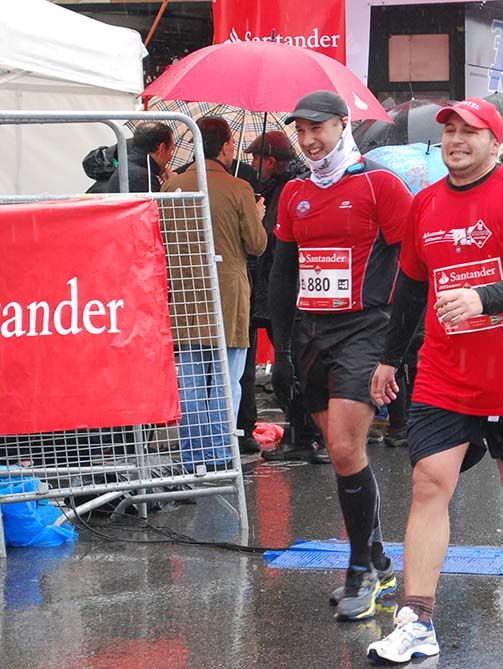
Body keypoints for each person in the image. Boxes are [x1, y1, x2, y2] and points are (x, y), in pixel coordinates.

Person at [367, 98, 503, 664]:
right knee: (430, 481)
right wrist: (389, 358)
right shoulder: (424, 203)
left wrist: (482, 297)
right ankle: (416, 619)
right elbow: (409, 289)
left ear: (495, 142)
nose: (455, 139)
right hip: (444, 373)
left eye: (469, 131)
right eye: (449, 130)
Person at [268, 90, 413, 620]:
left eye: (318, 130)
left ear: (342, 126)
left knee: (347, 447)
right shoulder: (294, 192)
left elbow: (411, 265)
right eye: (300, 132)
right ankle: (376, 555)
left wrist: (397, 348)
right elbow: (283, 274)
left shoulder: (380, 184)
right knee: (339, 451)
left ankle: (360, 574)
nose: (308, 141)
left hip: (365, 328)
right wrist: (281, 352)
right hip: (312, 331)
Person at [162, 116, 267, 472]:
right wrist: (257, 213)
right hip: (228, 294)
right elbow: (256, 245)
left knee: (190, 380)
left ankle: (193, 456)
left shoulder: (172, 187)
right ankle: (222, 453)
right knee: (226, 379)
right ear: (224, 146)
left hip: (184, 293)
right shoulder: (237, 188)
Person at [235, 131, 328, 463]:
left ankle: (306, 436)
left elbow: (271, 243)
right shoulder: (280, 187)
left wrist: (258, 218)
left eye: (256, 159)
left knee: (291, 364)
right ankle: (302, 434)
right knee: (288, 365)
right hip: (270, 289)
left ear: (271, 161)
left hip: (283, 290)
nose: (252, 165)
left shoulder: (292, 189)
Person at [103, 122, 176, 193]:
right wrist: (172, 185)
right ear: (162, 149)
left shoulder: (126, 165)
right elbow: (157, 204)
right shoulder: (144, 178)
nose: (170, 157)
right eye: (171, 150)